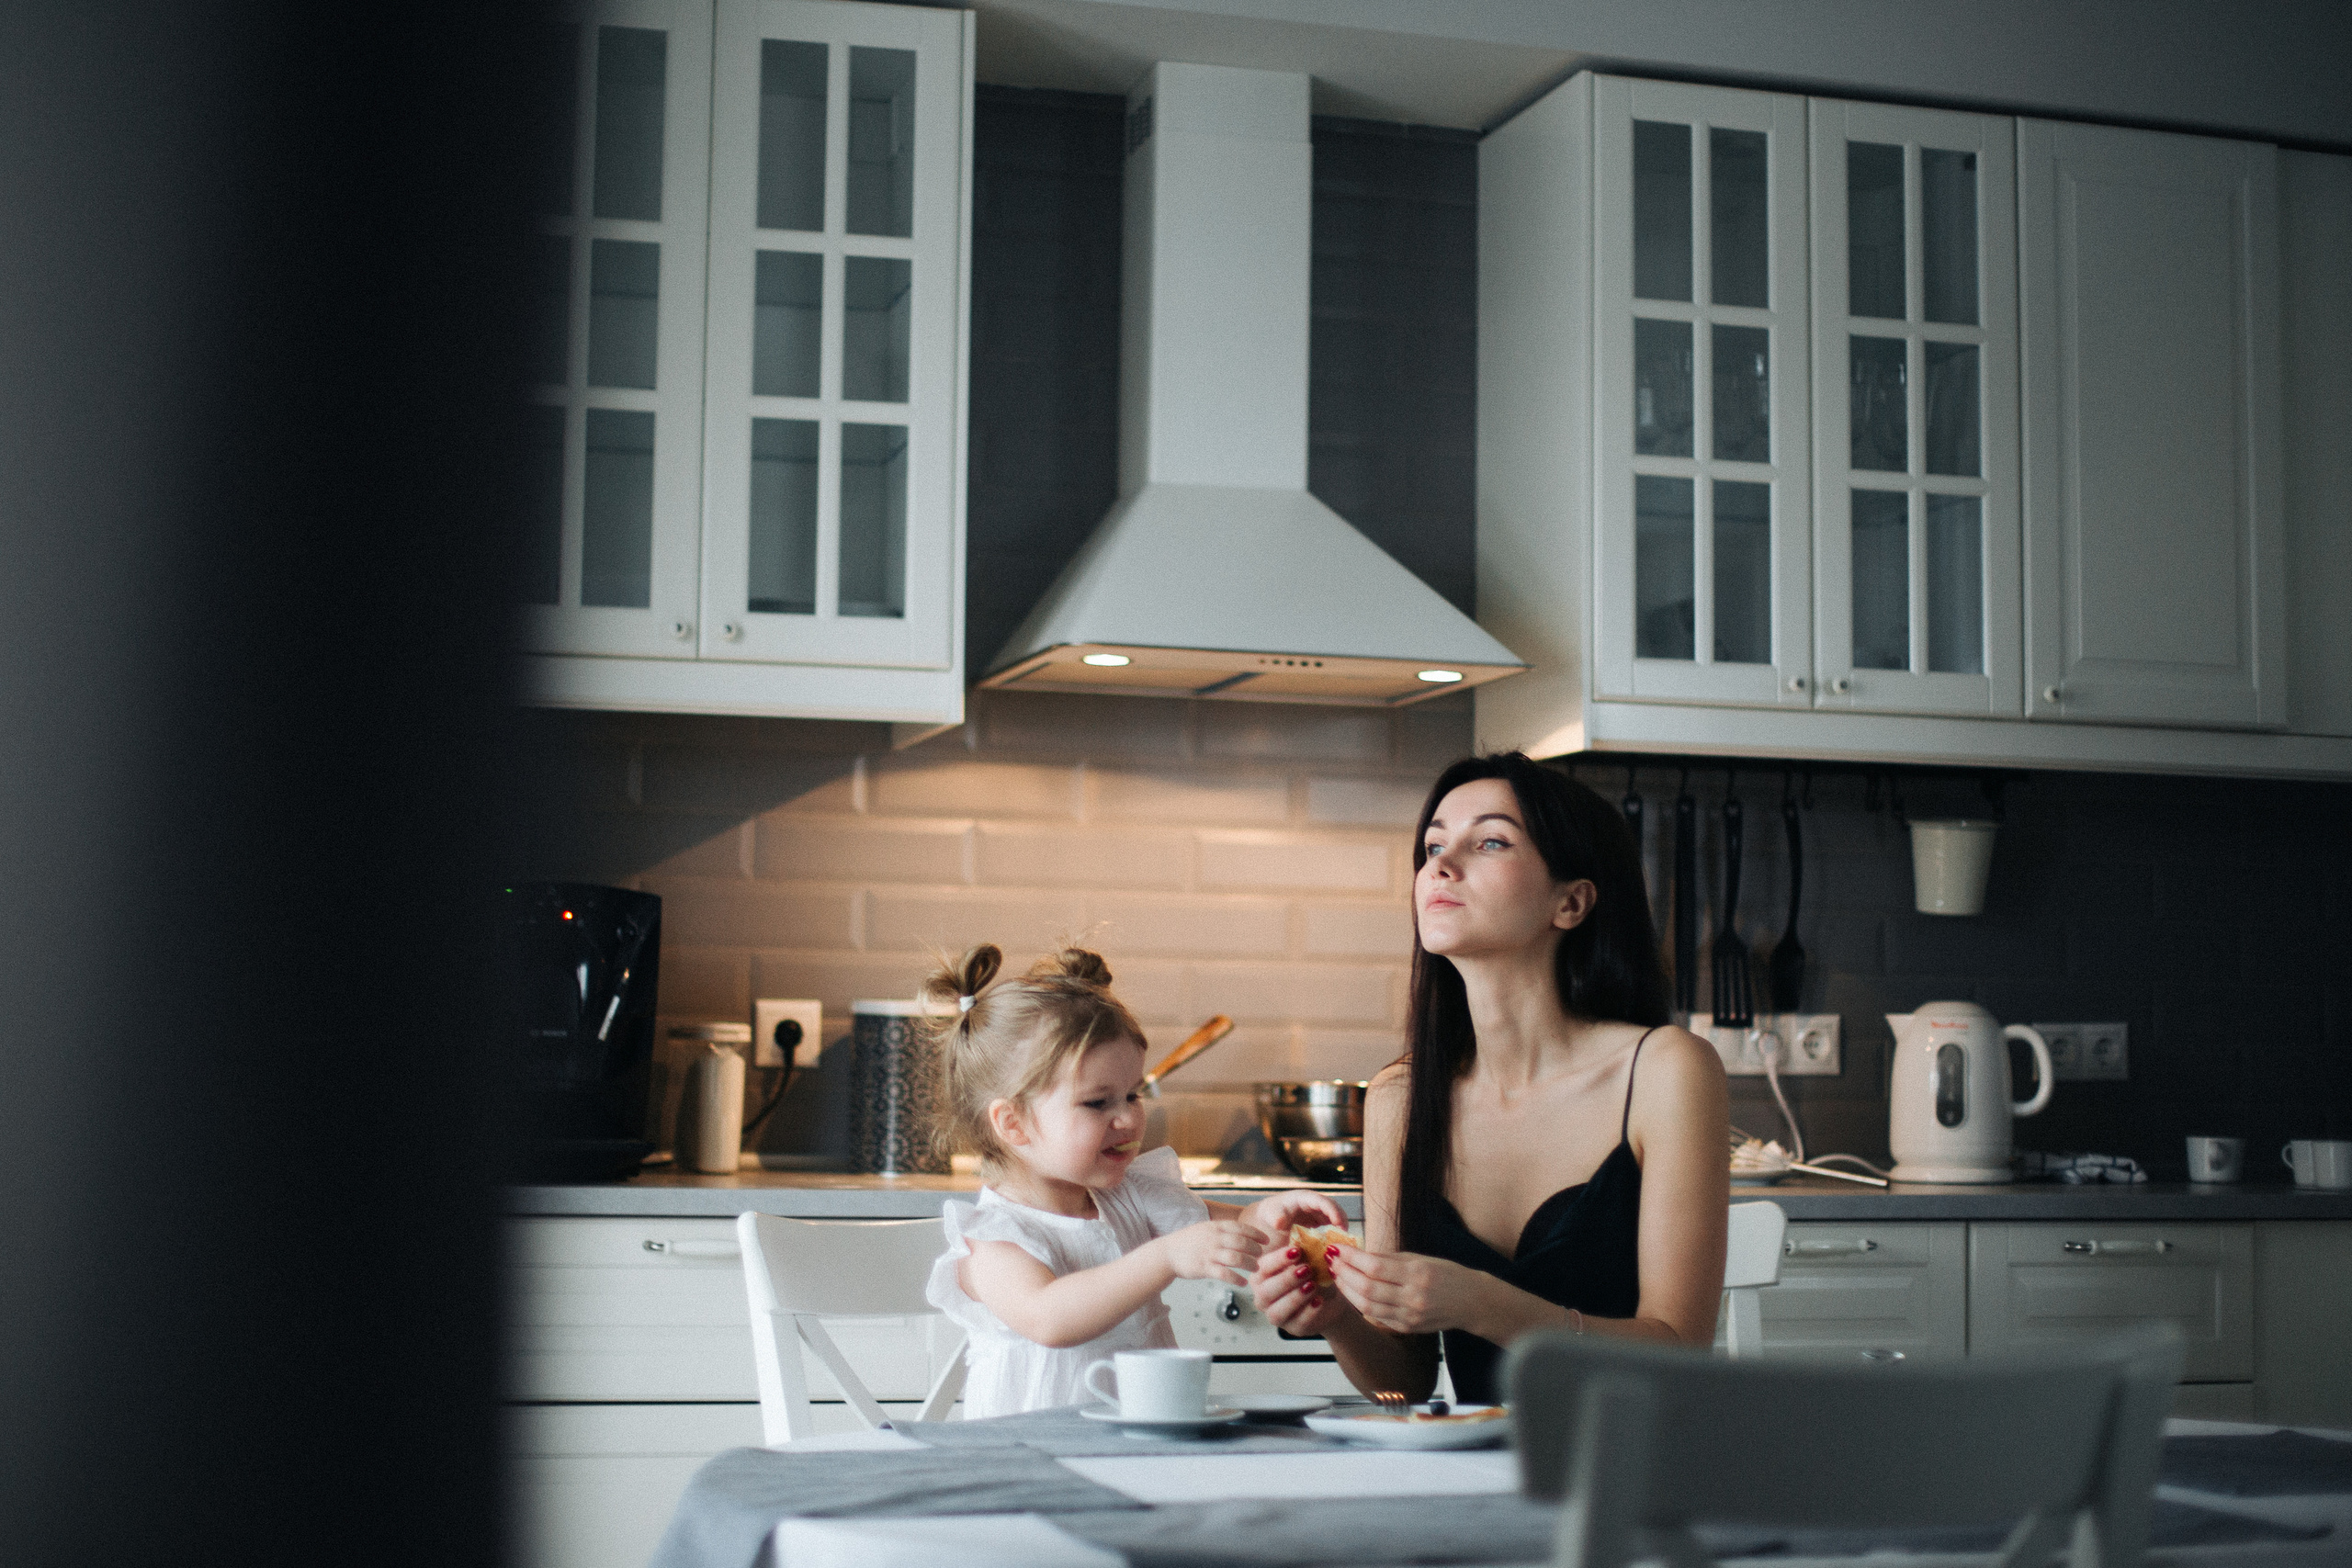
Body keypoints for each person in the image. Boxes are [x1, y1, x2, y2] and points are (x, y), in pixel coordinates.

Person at [1250, 753, 1729, 1404]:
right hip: (1473, 1485)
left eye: (1491, 840)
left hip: (1635, 1476)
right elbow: (1406, 1379)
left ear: (1572, 901)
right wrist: (1337, 1316)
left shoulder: (1667, 1070)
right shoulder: (1400, 1097)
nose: (1441, 866)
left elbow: (1679, 1351)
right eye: (1434, 845)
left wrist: (1483, 1303)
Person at [925, 943, 1347, 1417]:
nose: (1127, 1118)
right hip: (1032, 1460)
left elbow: (1241, 1233)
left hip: (1139, 1441)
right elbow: (1049, 1318)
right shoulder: (994, 1237)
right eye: (1097, 1102)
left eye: (1133, 1094)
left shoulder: (1131, 1196)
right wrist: (1166, 1256)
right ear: (1014, 1124)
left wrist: (1271, 1215)